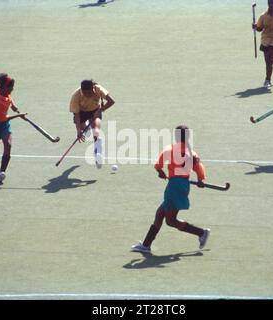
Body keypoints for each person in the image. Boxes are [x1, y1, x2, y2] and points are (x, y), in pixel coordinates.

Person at [131, 125, 210, 254]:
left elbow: (158, 165)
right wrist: (201, 179)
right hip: (183, 185)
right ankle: (146, 245)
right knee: (160, 214)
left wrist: (160, 172)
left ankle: (201, 233)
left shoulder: (171, 149)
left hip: (174, 186)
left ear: (176, 136)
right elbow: (199, 167)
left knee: (171, 220)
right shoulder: (192, 153)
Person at [69, 80, 115, 168]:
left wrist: (100, 110)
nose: (87, 95)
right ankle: (87, 129)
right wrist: (78, 131)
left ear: (93, 88)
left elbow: (111, 101)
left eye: (90, 92)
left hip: (95, 110)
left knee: (96, 130)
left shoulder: (99, 89)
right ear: (81, 91)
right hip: (81, 112)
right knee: (85, 130)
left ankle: (98, 152)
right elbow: (77, 115)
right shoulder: (76, 96)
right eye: (85, 93)